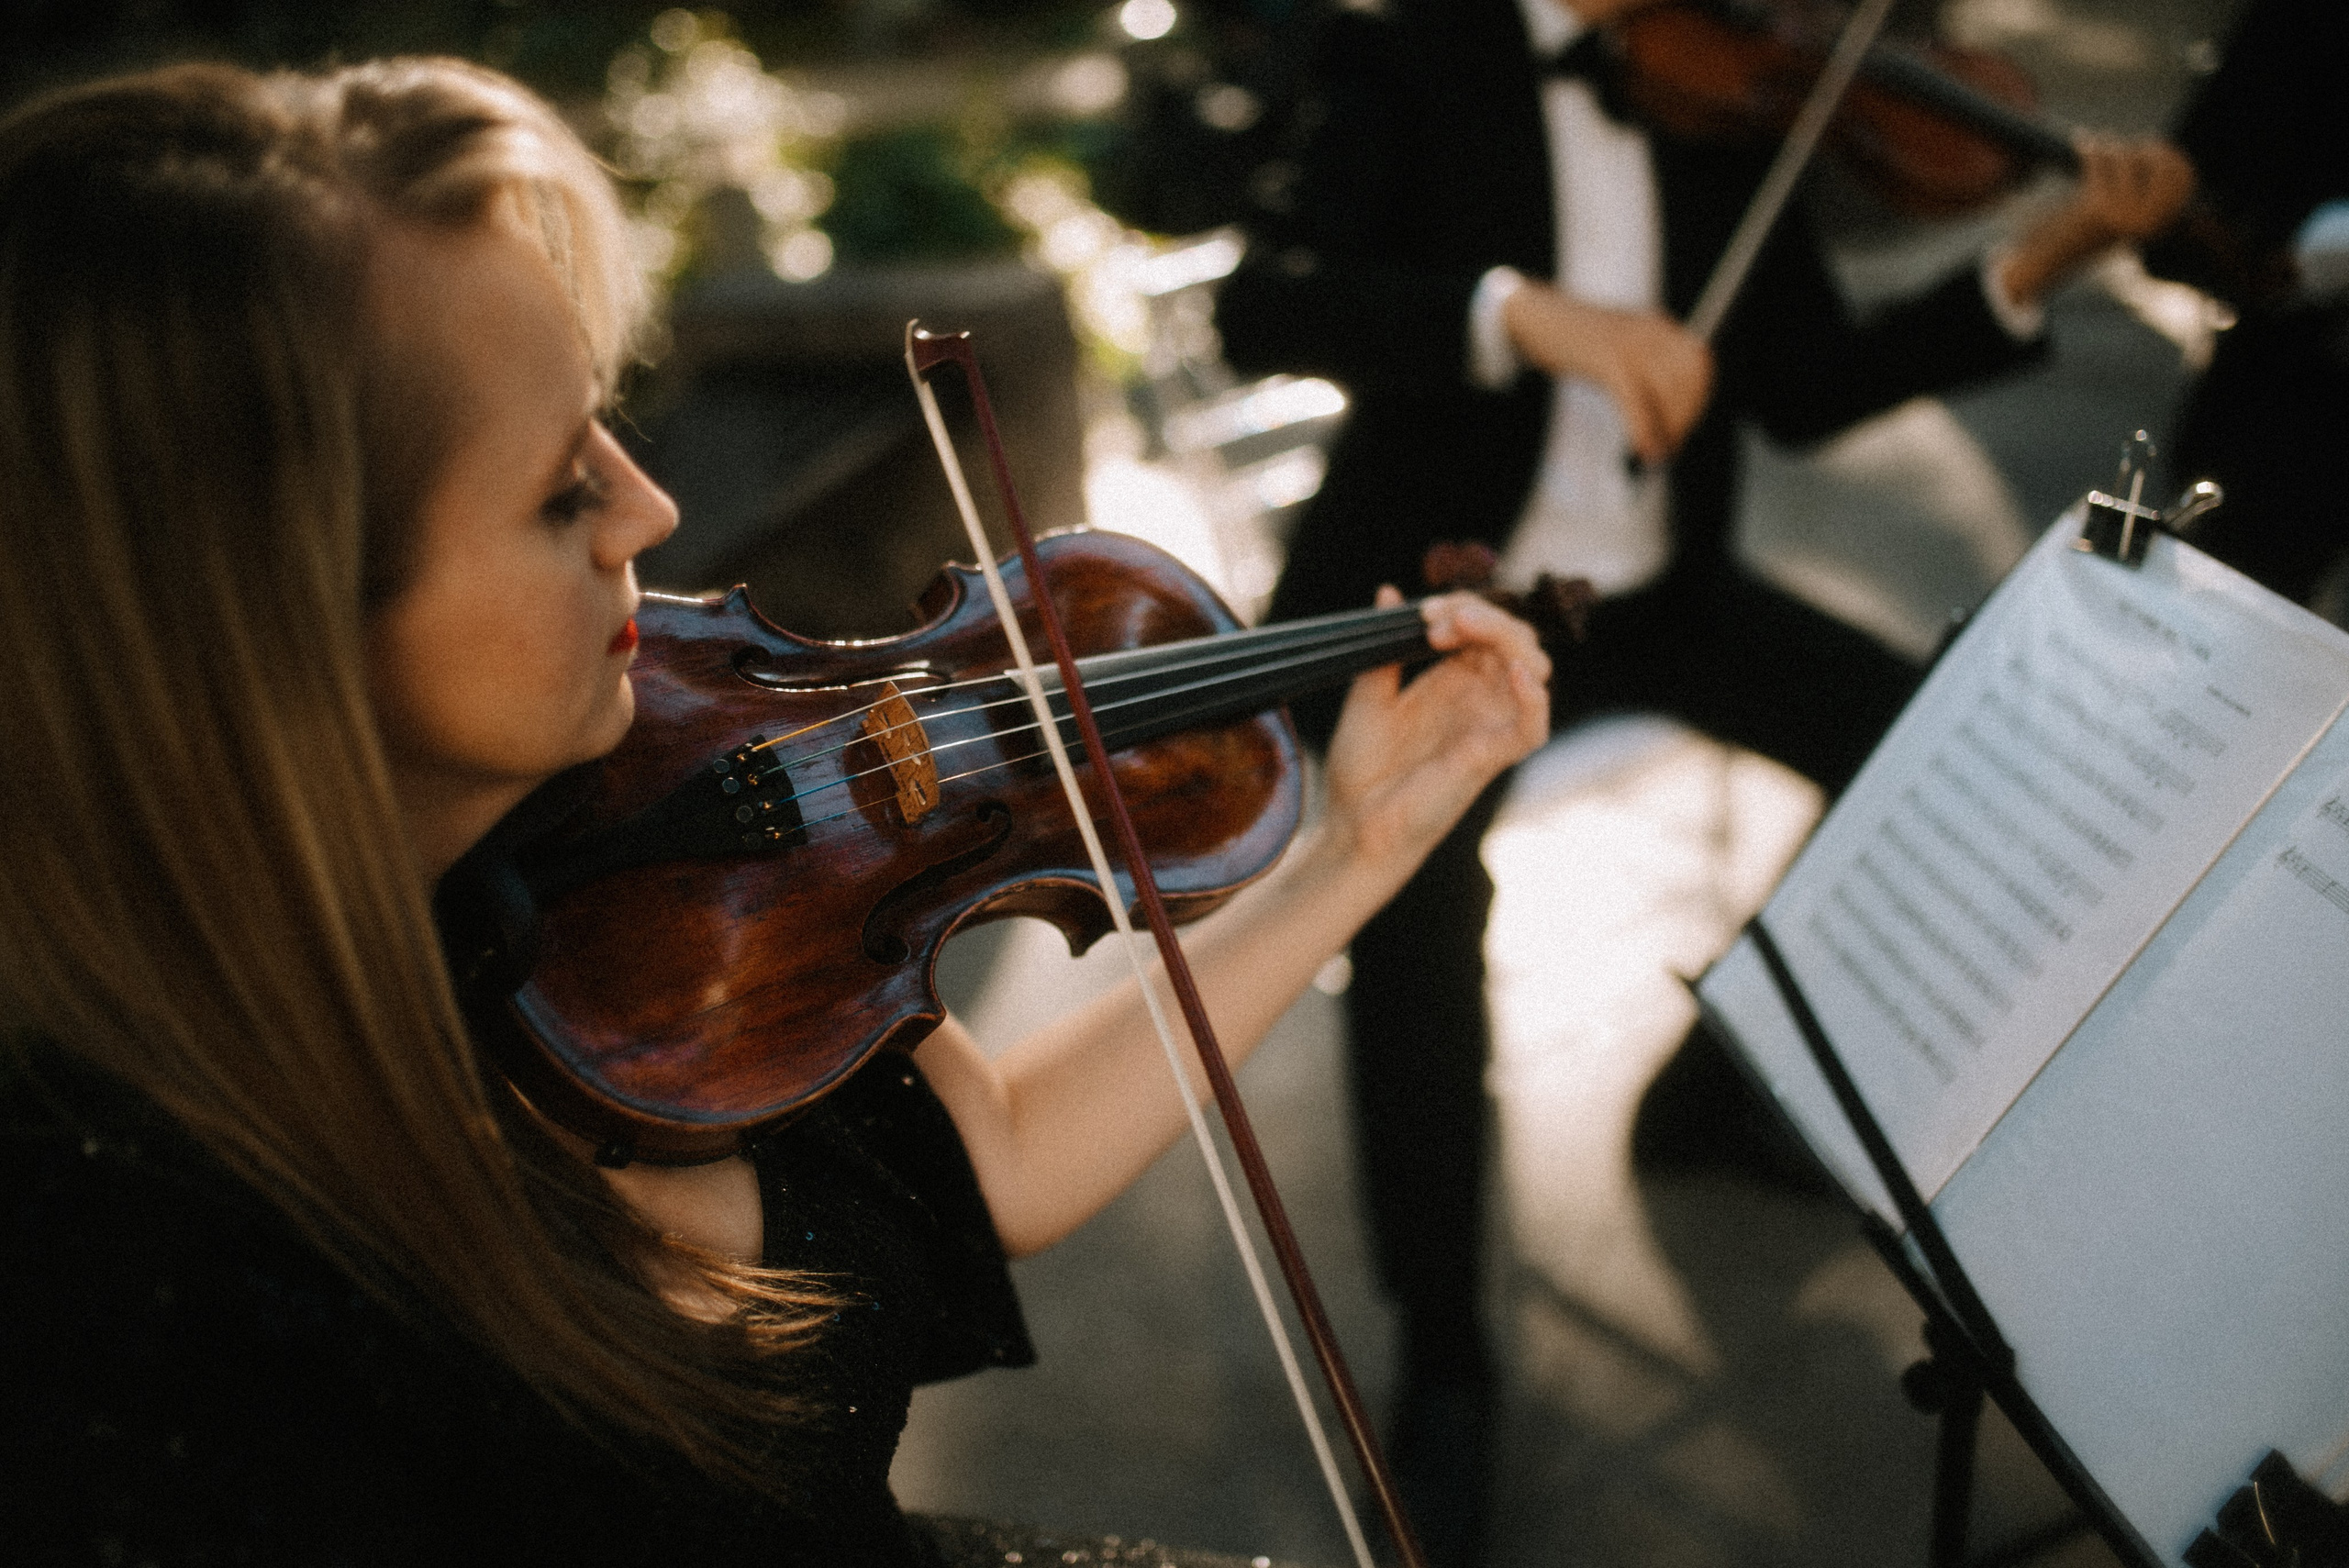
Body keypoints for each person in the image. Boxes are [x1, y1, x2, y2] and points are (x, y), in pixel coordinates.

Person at [0, 57, 1553, 1566]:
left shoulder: (651, 810)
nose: (649, 509)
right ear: (270, 622)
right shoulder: (134, 1300)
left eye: (606, 420)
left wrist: (1358, 850)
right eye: (558, 492)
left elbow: (994, 1154)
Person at [1212, 0, 2192, 1559]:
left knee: (1933, 739)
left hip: (1647, 596)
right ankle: (1446, 1356)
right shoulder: (1409, 51)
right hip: (1438, 601)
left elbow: (1804, 382)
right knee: (1409, 925)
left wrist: (2047, 251)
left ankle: (1713, 1091)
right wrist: (1519, 313)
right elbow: (1261, 308)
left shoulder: (1730, 86)